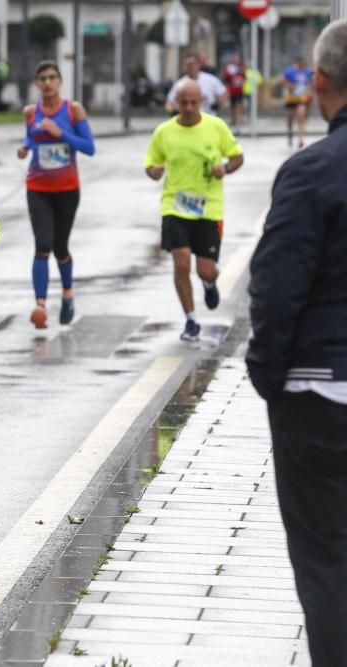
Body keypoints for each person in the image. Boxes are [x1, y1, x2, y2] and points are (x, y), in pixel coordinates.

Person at [246, 19, 347, 667]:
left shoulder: (311, 172)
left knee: (328, 564)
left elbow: (276, 289)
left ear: (318, 82)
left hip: (320, 393)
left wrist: (269, 373)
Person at [144, 80, 243, 341]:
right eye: (183, 103)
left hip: (208, 208)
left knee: (205, 270)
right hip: (174, 206)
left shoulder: (216, 127)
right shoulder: (164, 132)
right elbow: (151, 164)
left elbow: (237, 157)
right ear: (176, 102)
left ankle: (210, 284)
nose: (188, 108)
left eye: (193, 103)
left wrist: (225, 168)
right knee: (181, 262)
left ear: (201, 102)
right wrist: (154, 172)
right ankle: (190, 320)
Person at [16, 60, 95, 328]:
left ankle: (68, 294)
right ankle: (40, 304)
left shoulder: (73, 110)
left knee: (60, 246)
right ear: (37, 84)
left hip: (67, 189)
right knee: (42, 244)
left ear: (60, 81)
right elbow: (31, 138)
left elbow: (89, 147)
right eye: (43, 78)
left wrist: (60, 133)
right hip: (37, 187)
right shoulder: (31, 112)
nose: (48, 83)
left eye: (52, 77)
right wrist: (25, 148)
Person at [283, 55, 314, 149]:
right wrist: (292, 86)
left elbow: (310, 83)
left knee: (301, 116)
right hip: (291, 98)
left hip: (302, 99)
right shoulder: (289, 71)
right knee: (290, 119)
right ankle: (290, 132)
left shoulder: (307, 71)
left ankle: (301, 139)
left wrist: (309, 90)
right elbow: (284, 82)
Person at [222, 53, 246, 130]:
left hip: (239, 90)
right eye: (235, 59)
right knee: (233, 106)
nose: (236, 61)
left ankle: (238, 120)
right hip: (232, 91)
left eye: (238, 59)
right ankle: (234, 120)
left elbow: (244, 77)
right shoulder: (229, 68)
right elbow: (226, 77)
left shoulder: (241, 68)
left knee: (238, 105)